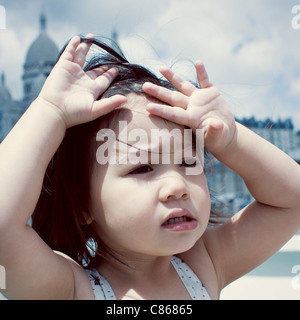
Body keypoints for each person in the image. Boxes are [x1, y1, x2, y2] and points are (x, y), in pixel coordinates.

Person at [0, 34, 300, 300]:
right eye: (142, 168)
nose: (178, 186)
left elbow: (292, 199)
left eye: (188, 162)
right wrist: (49, 111)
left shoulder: (204, 265)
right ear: (81, 205)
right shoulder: (70, 289)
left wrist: (231, 139)